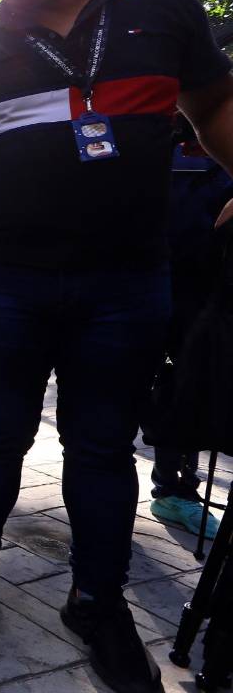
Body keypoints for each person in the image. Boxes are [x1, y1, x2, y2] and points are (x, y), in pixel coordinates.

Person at [0, 0, 233, 691]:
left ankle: (98, 599)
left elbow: (215, 108)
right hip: (3, 283)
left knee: (101, 448)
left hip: (126, 284)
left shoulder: (161, 15)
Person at [149, 129, 232, 538]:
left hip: (201, 300)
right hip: (132, 289)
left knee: (185, 393)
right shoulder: (146, 138)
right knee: (107, 411)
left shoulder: (223, 151)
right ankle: (97, 490)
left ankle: (175, 489)